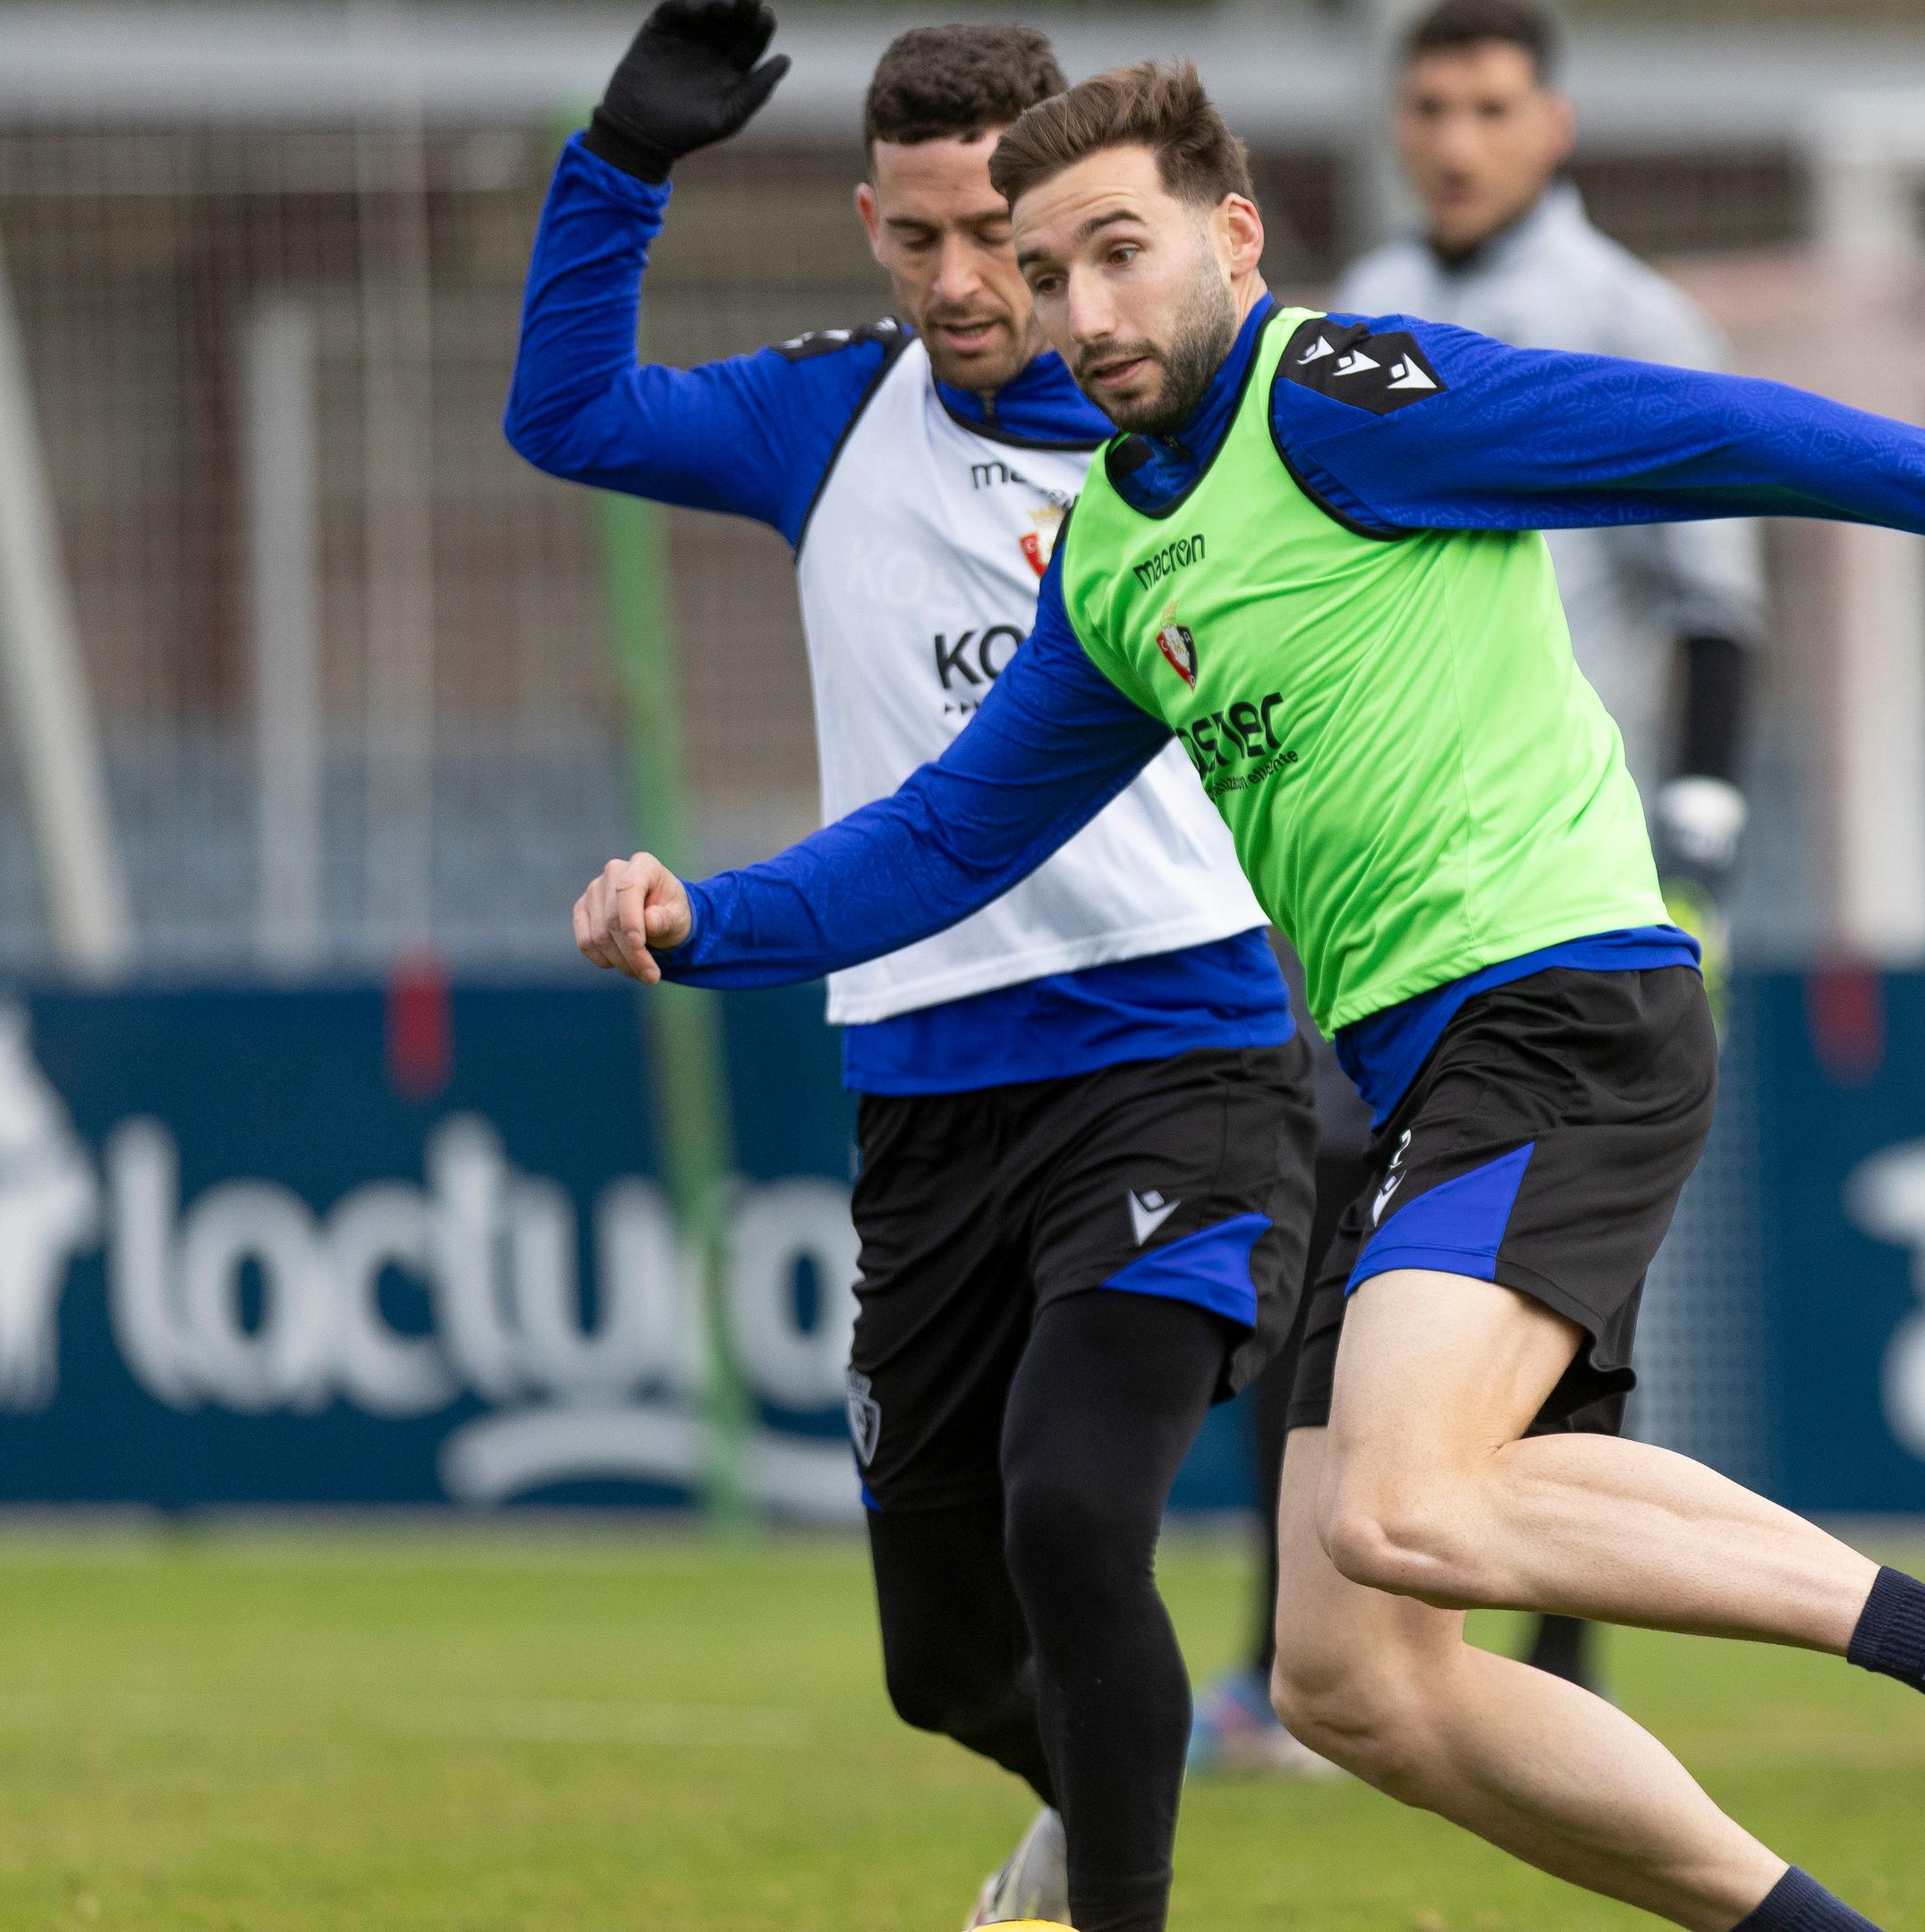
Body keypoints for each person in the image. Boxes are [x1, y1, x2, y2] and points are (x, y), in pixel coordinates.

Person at [570, 61, 1925, 1932]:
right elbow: (954, 833)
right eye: (1051, 275)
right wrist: (700, 916)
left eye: (1119, 252)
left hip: (1559, 1010)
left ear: (1234, 237)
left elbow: (1721, 436)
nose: (1084, 311)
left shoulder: (1348, 402)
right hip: (1403, 1067)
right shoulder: (1123, 547)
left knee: (1408, 1505)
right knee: (1352, 1677)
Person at [505, 12, 1320, 1928]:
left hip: (1176, 1047)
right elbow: (566, 416)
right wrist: (619, 157)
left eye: (998, 242)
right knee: (941, 1660)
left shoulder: (1203, 422)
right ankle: (1095, 1814)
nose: (962, 286)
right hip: (923, 1090)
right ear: (870, 221)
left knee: (1068, 1508)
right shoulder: (827, 421)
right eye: (917, 240)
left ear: (1060, 227)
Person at [1186, 0, 1780, 1755]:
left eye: (1487, 104)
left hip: (1564, 893)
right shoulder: (1343, 317)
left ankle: (1566, 1667)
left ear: (1554, 122)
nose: (1455, 135)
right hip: (1368, 906)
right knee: (1304, 1271)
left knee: (1558, 1307)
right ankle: (1282, 1657)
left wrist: (1706, 848)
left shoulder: (1627, 318)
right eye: (1428, 104)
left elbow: (1718, 607)